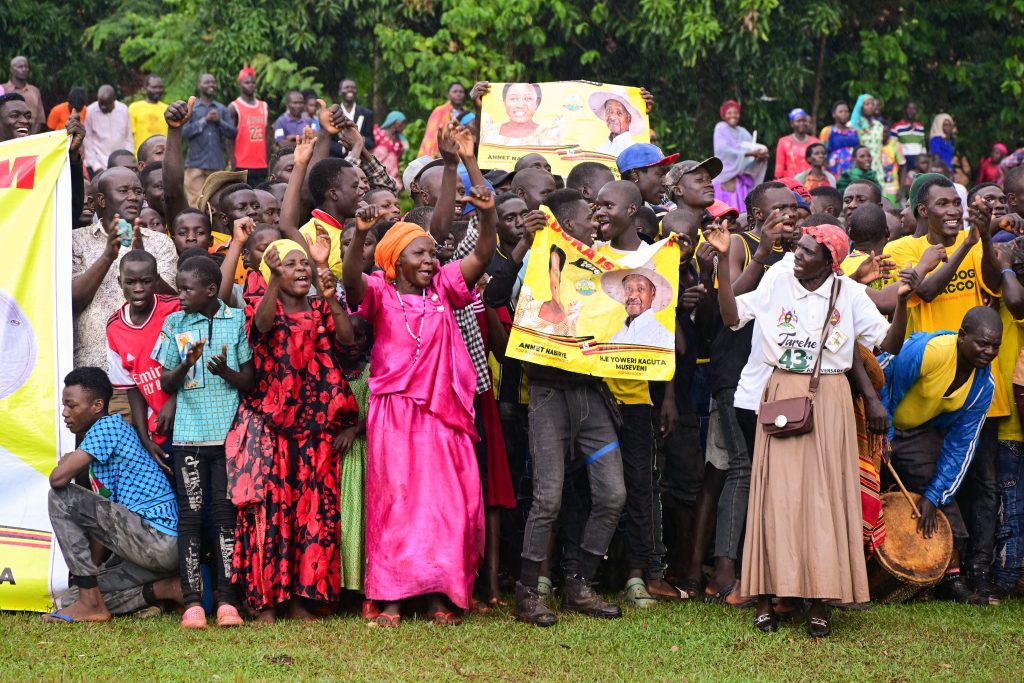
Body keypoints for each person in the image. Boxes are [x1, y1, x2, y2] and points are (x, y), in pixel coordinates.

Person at [711, 220, 908, 636]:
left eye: (805, 251)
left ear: (829, 261)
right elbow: (731, 317)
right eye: (796, 247)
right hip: (782, 388)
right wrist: (722, 264)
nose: (795, 255)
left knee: (826, 497)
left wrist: (904, 302)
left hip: (833, 396)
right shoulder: (778, 279)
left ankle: (820, 601)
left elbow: (888, 343)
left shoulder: (849, 293)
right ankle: (764, 597)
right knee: (773, 496)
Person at [342, 163, 496, 625]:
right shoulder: (379, 294)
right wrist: (359, 237)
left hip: (443, 414)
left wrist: (486, 218)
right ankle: (391, 597)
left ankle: (439, 595)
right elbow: (351, 279)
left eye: (433, 253)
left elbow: (482, 256)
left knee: (445, 504)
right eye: (419, 254)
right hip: (393, 414)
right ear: (394, 261)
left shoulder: (446, 289)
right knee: (398, 503)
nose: (431, 261)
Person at [227, 232, 359, 621]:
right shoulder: (259, 305)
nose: (300, 270)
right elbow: (263, 328)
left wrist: (327, 287)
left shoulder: (321, 306)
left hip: (316, 426)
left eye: (304, 263)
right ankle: (265, 601)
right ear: (273, 272)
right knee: (270, 516)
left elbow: (347, 339)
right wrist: (270, 277)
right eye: (291, 264)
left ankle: (302, 599)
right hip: (272, 427)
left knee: (312, 513)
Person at [882, 306, 1002, 604]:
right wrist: (882, 438)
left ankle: (950, 577)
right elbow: (884, 379)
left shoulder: (983, 387)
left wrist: (934, 495)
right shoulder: (930, 350)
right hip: (878, 419)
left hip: (919, 432)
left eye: (995, 346)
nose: (988, 351)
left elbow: (961, 447)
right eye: (982, 343)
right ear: (962, 336)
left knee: (938, 504)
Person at [159, 254, 254, 628]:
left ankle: (228, 601)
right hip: (189, 440)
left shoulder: (235, 321)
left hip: (229, 440)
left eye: (186, 289)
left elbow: (249, 380)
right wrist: (187, 363)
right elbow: (167, 382)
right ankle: (193, 602)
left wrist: (225, 371)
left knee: (225, 517)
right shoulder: (175, 323)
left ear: (211, 290)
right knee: (191, 518)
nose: (178, 294)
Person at [44, 368, 181, 624]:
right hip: (149, 548)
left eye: (71, 405)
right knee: (70, 598)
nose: (65, 413)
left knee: (59, 497)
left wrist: (68, 462)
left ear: (97, 405)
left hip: (155, 535)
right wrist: (92, 572)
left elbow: (58, 479)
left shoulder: (108, 426)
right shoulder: (103, 448)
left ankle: (91, 603)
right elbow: (106, 524)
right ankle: (163, 591)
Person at [72, 167, 178, 371]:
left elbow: (172, 305)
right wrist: (107, 256)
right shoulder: (77, 240)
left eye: (138, 191)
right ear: (102, 200)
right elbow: (73, 300)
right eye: (123, 191)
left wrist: (145, 262)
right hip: (95, 368)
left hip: (150, 371)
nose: (133, 197)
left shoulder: (161, 243)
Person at [105, 250, 180, 474]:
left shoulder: (175, 309)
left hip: (193, 419)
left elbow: (199, 359)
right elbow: (131, 386)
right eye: (130, 282)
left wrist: (174, 400)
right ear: (120, 282)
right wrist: (144, 438)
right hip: (159, 429)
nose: (138, 289)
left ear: (157, 280)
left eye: (146, 281)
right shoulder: (114, 328)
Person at [182, 74, 236, 207]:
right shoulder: (192, 109)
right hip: (195, 164)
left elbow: (233, 133)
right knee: (195, 203)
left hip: (217, 164)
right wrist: (204, 120)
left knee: (217, 203)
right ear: (199, 85)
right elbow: (184, 132)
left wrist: (219, 121)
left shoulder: (222, 109)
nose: (211, 85)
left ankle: (214, 228)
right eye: (207, 82)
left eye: (213, 82)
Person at [713, 100, 768, 211]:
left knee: (743, 213)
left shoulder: (742, 131)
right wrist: (748, 153)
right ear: (724, 115)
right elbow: (722, 150)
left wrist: (760, 157)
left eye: (735, 112)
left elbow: (752, 151)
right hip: (725, 181)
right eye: (729, 113)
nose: (733, 115)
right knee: (725, 212)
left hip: (741, 182)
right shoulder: (721, 127)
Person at [480, 82, 561, 146]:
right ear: (504, 102)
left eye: (528, 98)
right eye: (513, 99)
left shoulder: (548, 134)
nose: (520, 105)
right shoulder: (489, 131)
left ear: (536, 103)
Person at [229, 66, 270, 187]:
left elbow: (268, 136)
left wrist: (267, 159)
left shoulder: (263, 106)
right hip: (241, 163)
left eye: (252, 82)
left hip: (261, 163)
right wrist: (233, 162)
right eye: (246, 82)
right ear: (240, 84)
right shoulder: (234, 107)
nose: (250, 85)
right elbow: (229, 138)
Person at [84, 85, 135, 177]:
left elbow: (128, 138)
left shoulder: (123, 109)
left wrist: (127, 160)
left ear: (114, 100)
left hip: (121, 164)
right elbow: (88, 141)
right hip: (99, 165)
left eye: (106, 104)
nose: (103, 107)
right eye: (101, 104)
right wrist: (96, 166)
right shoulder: (90, 111)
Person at [617, 143, 680, 214]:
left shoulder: (659, 216)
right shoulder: (611, 218)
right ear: (635, 174)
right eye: (660, 174)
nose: (665, 182)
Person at [589, 87, 645, 156]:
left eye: (619, 113)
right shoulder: (600, 149)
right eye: (609, 111)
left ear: (629, 118)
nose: (612, 117)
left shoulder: (635, 151)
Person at [418, 82, 468, 157]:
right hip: (443, 152)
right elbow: (431, 133)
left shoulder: (468, 113)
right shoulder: (439, 111)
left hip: (464, 152)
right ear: (448, 95)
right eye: (455, 92)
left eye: (461, 92)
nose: (458, 94)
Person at [128, 75, 168, 156]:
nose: (157, 90)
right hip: (141, 158)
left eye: (160, 87)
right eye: (154, 87)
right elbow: (129, 136)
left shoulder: (167, 109)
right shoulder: (134, 108)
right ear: (145, 88)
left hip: (164, 157)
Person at [2, 56, 44, 133]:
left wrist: (32, 137)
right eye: (20, 67)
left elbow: (40, 119)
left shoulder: (34, 91)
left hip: (32, 137)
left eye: (26, 67)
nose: (24, 69)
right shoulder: (2, 90)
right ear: (11, 69)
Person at [774, 108, 819, 180]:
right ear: (792, 124)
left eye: (804, 121)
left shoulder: (815, 141)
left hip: (812, 182)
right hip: (791, 184)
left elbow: (820, 164)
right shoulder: (783, 142)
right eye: (798, 121)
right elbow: (779, 168)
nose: (802, 123)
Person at [819, 100, 859, 177]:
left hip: (854, 169)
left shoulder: (854, 131)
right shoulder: (827, 131)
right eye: (840, 112)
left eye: (846, 111)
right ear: (834, 114)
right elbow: (822, 151)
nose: (844, 114)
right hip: (834, 169)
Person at [850, 94, 885, 177]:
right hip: (860, 165)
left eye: (872, 104)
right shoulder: (853, 125)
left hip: (877, 164)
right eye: (867, 104)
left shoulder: (879, 126)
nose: (870, 107)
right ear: (860, 106)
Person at [372, 111, 408, 190]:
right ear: (394, 121)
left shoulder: (400, 140)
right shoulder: (378, 133)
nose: (403, 126)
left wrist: (402, 136)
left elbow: (406, 149)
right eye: (402, 123)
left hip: (392, 177)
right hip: (375, 173)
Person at [337, 78, 375, 150]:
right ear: (340, 92)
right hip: (337, 159)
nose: (350, 89)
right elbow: (329, 142)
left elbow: (371, 142)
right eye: (346, 87)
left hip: (360, 159)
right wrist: (343, 148)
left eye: (353, 88)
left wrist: (359, 141)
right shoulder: (333, 114)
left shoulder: (367, 114)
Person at [890, 100, 927, 172]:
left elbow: (922, 146)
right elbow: (893, 146)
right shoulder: (897, 127)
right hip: (904, 161)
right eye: (909, 108)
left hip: (918, 160)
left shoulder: (920, 127)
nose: (911, 111)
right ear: (904, 111)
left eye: (914, 109)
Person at [878, 132, 906, 206]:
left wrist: (901, 189)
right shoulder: (874, 144)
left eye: (885, 131)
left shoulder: (895, 145)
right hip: (877, 185)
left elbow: (903, 167)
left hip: (892, 187)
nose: (883, 134)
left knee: (892, 212)